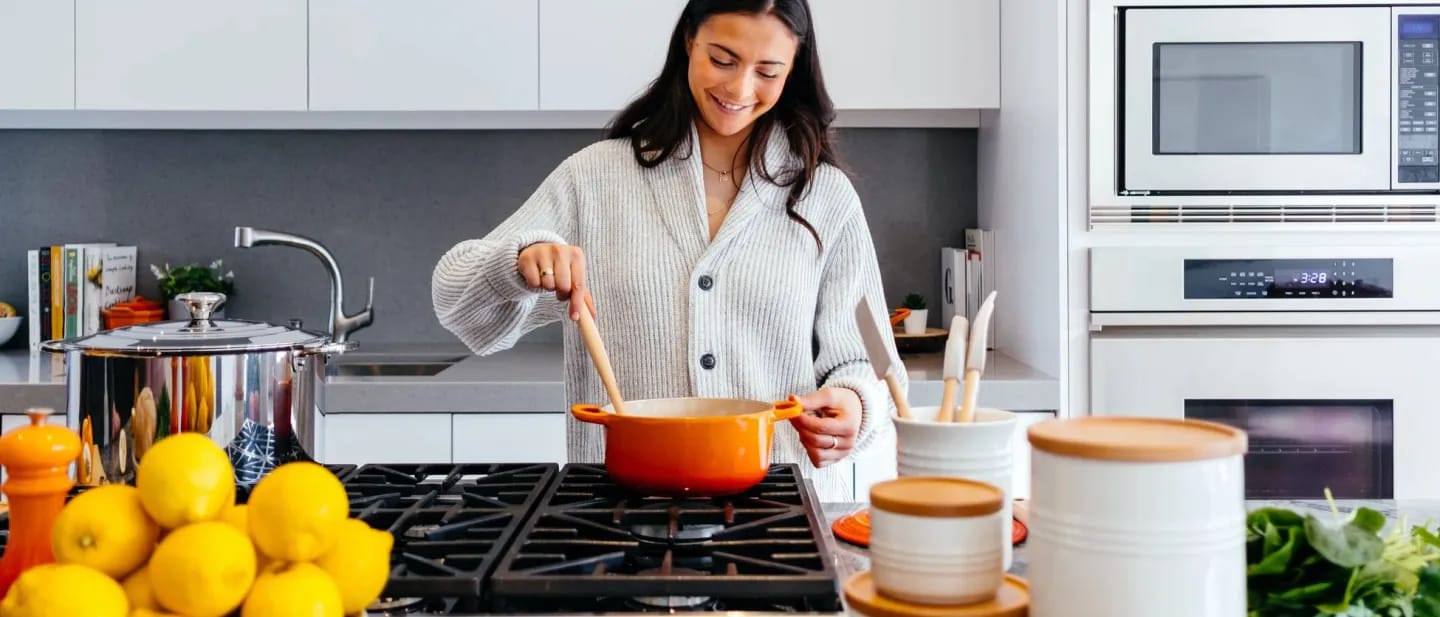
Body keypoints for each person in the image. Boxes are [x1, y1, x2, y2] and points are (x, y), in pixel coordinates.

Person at [431, 0, 904, 502]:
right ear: (688, 43)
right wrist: (518, 264)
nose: (740, 89)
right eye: (722, 60)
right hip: (618, 514)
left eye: (768, 71)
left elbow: (874, 365)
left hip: (783, 515)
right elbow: (455, 303)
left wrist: (856, 405)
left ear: (794, 71)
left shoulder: (824, 196)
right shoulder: (594, 179)